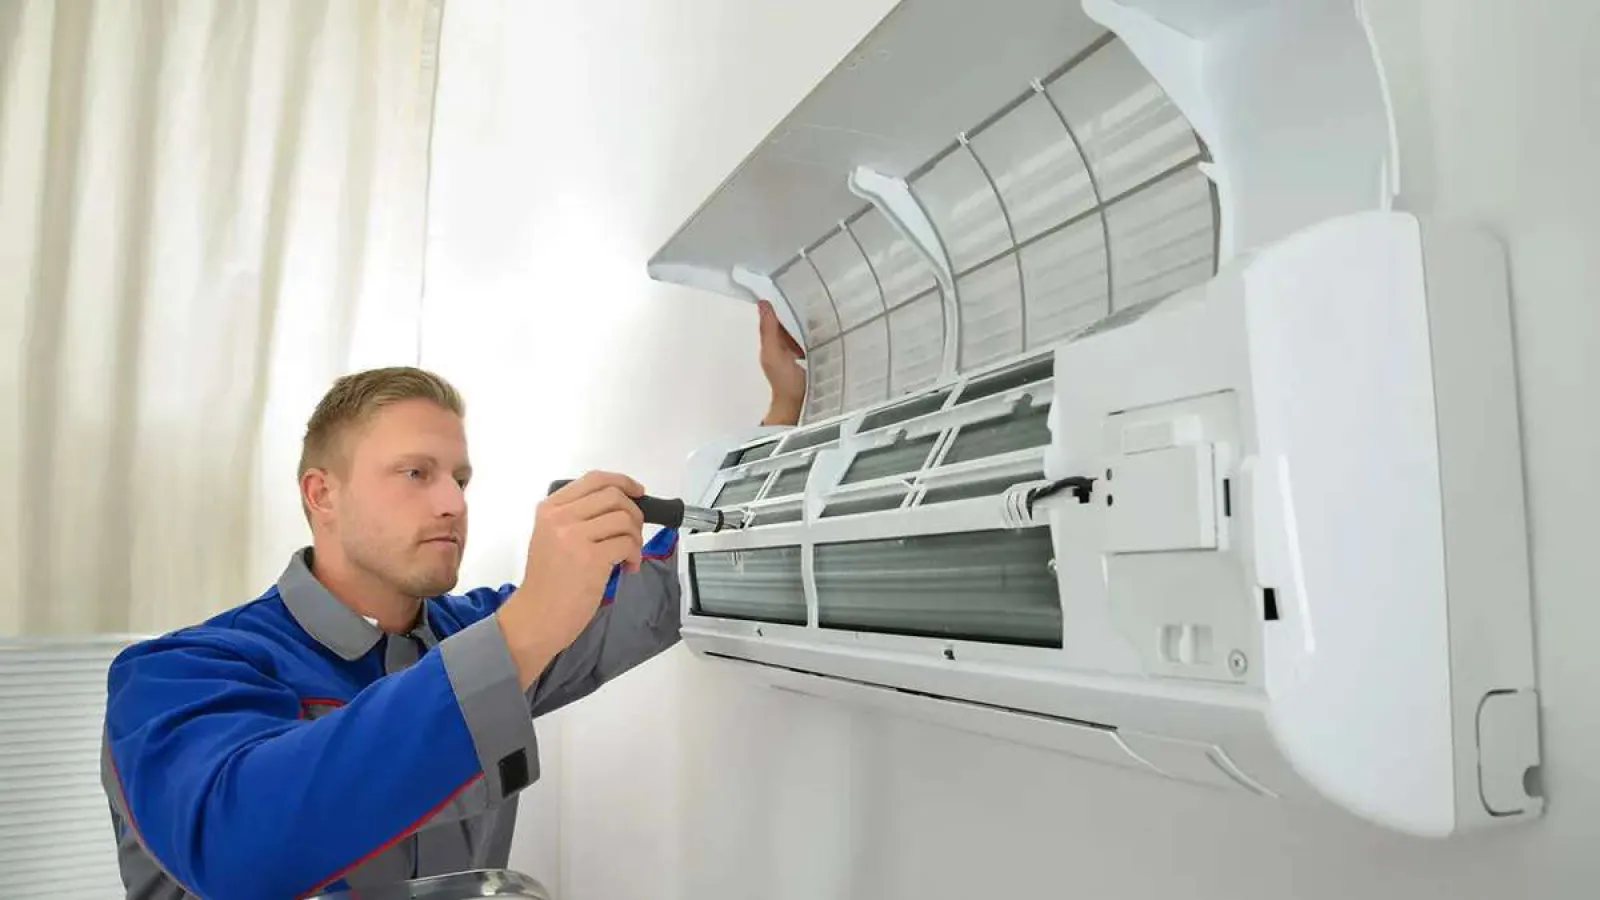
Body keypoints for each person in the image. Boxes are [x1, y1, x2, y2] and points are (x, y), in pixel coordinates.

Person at [99, 301, 808, 899]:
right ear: (322, 494)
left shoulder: (472, 635)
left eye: (460, 479)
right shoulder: (175, 673)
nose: (451, 504)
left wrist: (783, 413)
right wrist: (528, 625)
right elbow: (240, 847)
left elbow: (668, 580)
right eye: (415, 473)